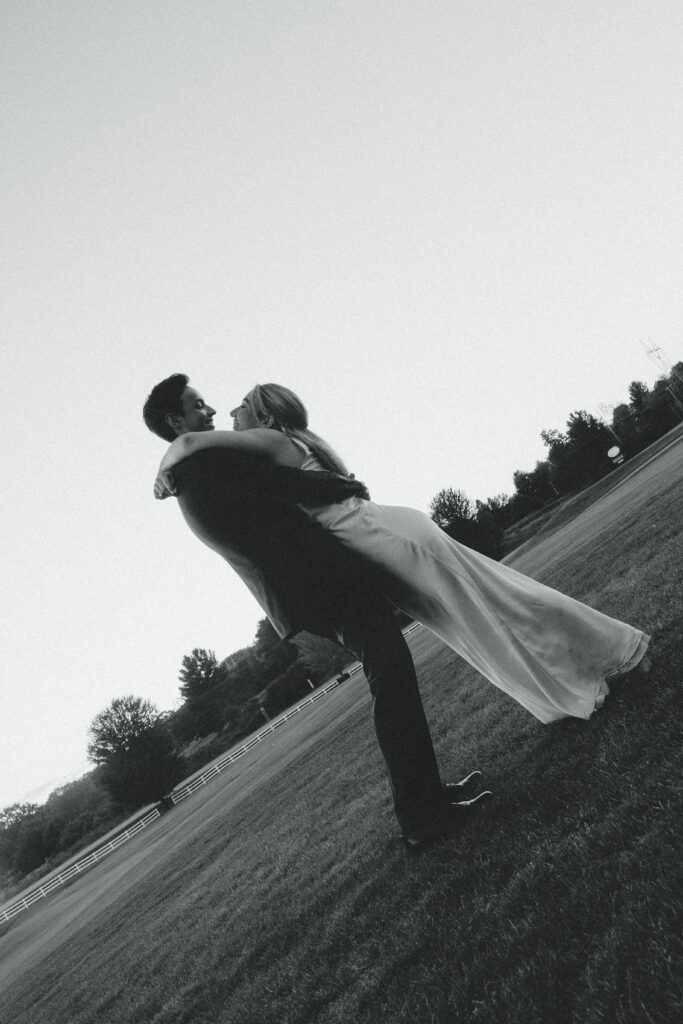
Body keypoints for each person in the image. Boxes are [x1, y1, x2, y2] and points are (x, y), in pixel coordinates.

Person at [155, 383, 651, 726]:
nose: (231, 412)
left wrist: (166, 462)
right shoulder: (280, 445)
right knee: (482, 617)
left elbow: (195, 440)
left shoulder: (271, 440)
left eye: (241, 405)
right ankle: (579, 675)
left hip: (393, 541)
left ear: (262, 415)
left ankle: (598, 660)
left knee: (494, 610)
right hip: (387, 542)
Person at [144, 374, 491, 853]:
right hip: (315, 583)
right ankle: (421, 815)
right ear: (174, 420)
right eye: (198, 405)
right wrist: (345, 482)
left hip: (311, 586)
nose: (211, 412)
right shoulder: (204, 466)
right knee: (390, 674)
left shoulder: (189, 472)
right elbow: (283, 484)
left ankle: (428, 797)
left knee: (391, 671)